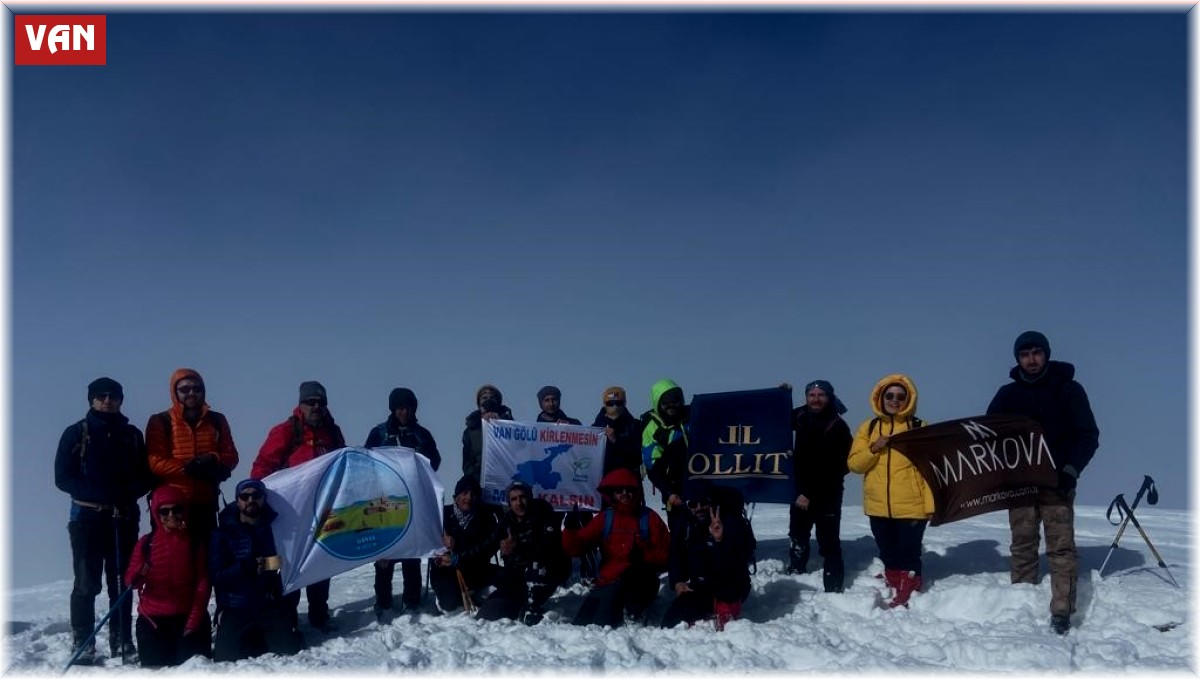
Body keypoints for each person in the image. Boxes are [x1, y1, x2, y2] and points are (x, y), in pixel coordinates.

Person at [987, 330, 1100, 635]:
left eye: (1037, 352)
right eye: (1025, 354)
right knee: (1022, 543)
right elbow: (987, 435)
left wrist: (1070, 470)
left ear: (1046, 354)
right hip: (1020, 485)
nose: (1032, 359)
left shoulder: (1069, 390)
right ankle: (1021, 601)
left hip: (1057, 484)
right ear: (1018, 359)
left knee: (1061, 548)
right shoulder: (1007, 394)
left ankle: (1061, 610)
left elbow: (1088, 435)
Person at [55, 377, 151, 664]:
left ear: (121, 399)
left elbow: (146, 475)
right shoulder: (76, 433)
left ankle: (122, 641)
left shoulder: (132, 435)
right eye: (100, 396)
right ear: (91, 400)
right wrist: (101, 493)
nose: (107, 400)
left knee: (122, 582)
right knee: (86, 582)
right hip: (87, 517)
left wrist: (127, 492)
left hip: (122, 517)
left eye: (113, 396)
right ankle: (83, 641)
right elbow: (63, 477)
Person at [249, 381, 345, 632]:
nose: (316, 407)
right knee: (285, 562)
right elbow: (261, 467)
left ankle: (319, 613)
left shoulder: (333, 434)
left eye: (321, 402)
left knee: (321, 560)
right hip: (288, 514)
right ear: (300, 404)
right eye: (311, 402)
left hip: (323, 511)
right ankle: (286, 614)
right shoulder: (285, 432)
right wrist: (259, 500)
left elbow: (343, 467)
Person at [847, 374, 932, 609]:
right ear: (880, 398)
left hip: (912, 505)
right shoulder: (869, 427)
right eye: (890, 396)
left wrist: (930, 505)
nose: (895, 400)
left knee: (909, 551)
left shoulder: (919, 427)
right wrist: (873, 448)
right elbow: (854, 465)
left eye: (900, 396)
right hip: (878, 505)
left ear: (909, 399)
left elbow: (931, 471)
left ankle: (910, 586)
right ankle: (894, 580)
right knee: (887, 549)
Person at [364, 387, 442, 616]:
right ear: (393, 409)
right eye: (399, 408)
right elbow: (366, 461)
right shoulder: (378, 433)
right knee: (385, 555)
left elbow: (434, 461)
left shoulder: (421, 434)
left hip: (413, 500)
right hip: (384, 501)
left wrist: (418, 473)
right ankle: (383, 601)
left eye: (407, 407)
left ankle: (412, 599)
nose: (404, 412)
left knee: (411, 553)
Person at [209, 479, 304, 662]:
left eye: (256, 495)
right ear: (238, 501)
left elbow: (290, 564)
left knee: (290, 650)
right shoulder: (222, 534)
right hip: (236, 606)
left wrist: (268, 565)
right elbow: (216, 576)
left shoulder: (277, 529)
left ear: (264, 499)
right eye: (245, 496)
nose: (251, 500)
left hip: (268, 603)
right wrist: (245, 567)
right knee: (224, 658)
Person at [563, 468, 670, 628]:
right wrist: (570, 531)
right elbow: (577, 547)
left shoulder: (650, 518)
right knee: (589, 625)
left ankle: (634, 612)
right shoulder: (605, 518)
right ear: (612, 493)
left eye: (630, 490)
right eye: (620, 490)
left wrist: (645, 557)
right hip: (610, 582)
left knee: (638, 575)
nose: (625, 494)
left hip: (641, 582)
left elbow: (667, 554)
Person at [146, 368, 239, 543]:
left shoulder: (217, 420)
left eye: (197, 389)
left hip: (206, 503)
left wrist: (214, 459)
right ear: (175, 392)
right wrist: (188, 467)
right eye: (185, 389)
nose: (191, 393)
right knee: (172, 557)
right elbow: (155, 461)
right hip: (172, 505)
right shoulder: (161, 421)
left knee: (205, 559)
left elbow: (231, 456)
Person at [124, 486, 211, 667]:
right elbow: (131, 582)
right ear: (156, 514)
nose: (171, 515)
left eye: (176, 509)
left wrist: (193, 622)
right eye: (164, 511)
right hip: (153, 622)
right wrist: (140, 572)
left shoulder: (194, 542)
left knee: (194, 669)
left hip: (187, 618)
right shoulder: (146, 543)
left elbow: (202, 584)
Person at [661, 478, 755, 631]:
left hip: (730, 586)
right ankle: (709, 609)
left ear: (711, 501)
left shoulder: (731, 522)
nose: (699, 508)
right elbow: (675, 553)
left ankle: (726, 608)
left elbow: (738, 562)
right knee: (669, 624)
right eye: (693, 504)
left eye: (704, 502)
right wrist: (678, 581)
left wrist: (719, 541)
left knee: (728, 598)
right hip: (700, 586)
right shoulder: (685, 523)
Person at [787, 380, 853, 593]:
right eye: (811, 395)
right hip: (799, 491)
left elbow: (837, 468)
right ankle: (797, 571)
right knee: (798, 534)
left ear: (830, 397)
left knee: (829, 541)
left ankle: (833, 587)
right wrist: (781, 396)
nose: (816, 399)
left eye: (821, 395)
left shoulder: (837, 426)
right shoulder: (801, 416)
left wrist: (809, 493)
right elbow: (775, 419)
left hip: (827, 493)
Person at [475, 481, 569, 625]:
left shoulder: (544, 515)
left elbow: (547, 549)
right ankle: (516, 603)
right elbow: (485, 547)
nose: (519, 502)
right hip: (517, 577)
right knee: (487, 614)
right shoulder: (507, 522)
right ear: (509, 503)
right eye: (514, 499)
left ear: (529, 498)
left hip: (544, 574)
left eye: (522, 497)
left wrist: (516, 547)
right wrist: (456, 556)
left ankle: (532, 607)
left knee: (536, 567)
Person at [429, 476, 498, 614]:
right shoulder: (441, 514)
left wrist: (459, 557)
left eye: (473, 494)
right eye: (464, 493)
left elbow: (487, 547)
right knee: (449, 603)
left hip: (476, 569)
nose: (469, 497)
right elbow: (428, 545)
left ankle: (478, 592)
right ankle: (449, 597)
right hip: (446, 572)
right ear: (456, 496)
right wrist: (441, 548)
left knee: (507, 579)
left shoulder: (486, 518)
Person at [641, 379, 691, 536]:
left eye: (675, 400)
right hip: (674, 488)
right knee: (679, 533)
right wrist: (668, 492)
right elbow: (652, 466)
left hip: (701, 481)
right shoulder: (652, 427)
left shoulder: (693, 415)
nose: (671, 405)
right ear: (658, 403)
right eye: (665, 402)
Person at [461, 384, 514, 484]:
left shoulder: (511, 425)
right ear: (479, 404)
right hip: (479, 480)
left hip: (505, 478)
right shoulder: (470, 430)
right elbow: (467, 460)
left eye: (492, 398)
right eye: (484, 398)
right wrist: (474, 475)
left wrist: (501, 422)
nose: (488, 400)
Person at [591, 386, 643, 478]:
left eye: (618, 403)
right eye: (610, 403)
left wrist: (616, 441)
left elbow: (639, 456)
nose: (614, 406)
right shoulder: (594, 429)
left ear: (624, 403)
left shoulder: (636, 426)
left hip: (628, 482)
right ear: (604, 404)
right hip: (602, 482)